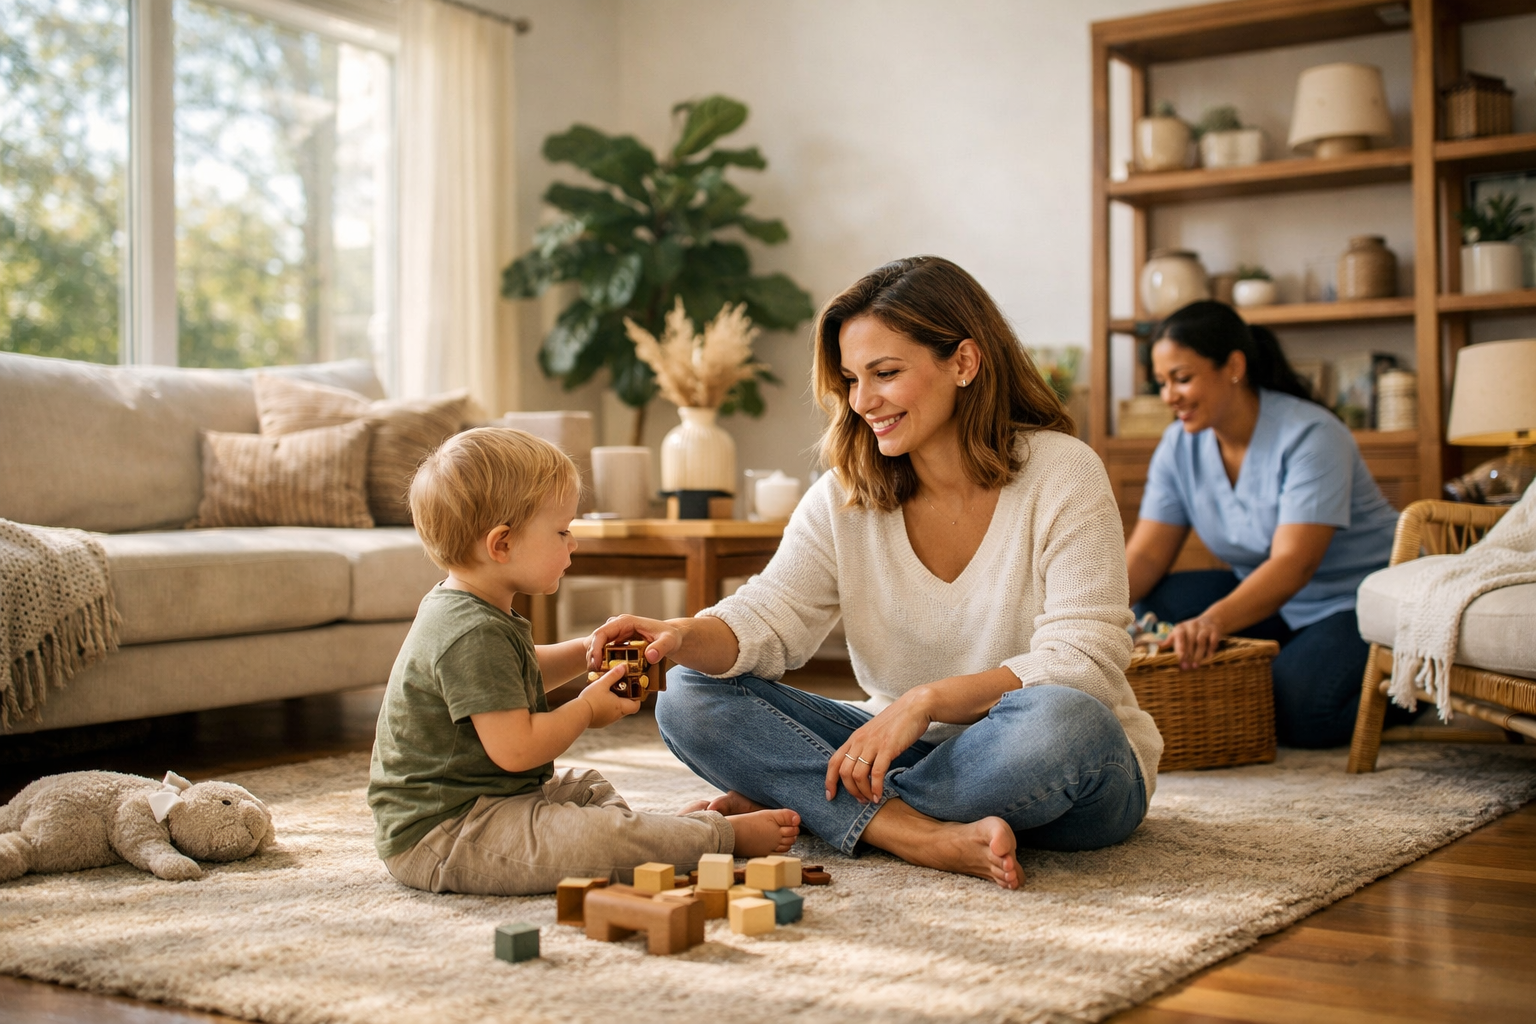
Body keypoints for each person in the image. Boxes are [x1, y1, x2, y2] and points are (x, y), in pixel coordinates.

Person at [588, 256, 1162, 891]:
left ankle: (826, 809)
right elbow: (770, 617)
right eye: (851, 380)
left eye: (885, 374)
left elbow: (1087, 657)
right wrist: (678, 635)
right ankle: (915, 832)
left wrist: (925, 702)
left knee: (1066, 721)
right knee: (688, 692)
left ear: (964, 363)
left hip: (1056, 767)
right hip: (897, 753)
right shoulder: (843, 496)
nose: (863, 402)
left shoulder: (1063, 473)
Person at [367, 428, 799, 896]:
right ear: (502, 544)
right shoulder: (470, 630)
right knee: (595, 836)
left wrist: (584, 651)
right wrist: (587, 709)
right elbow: (517, 750)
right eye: (561, 531)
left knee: (585, 788)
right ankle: (720, 837)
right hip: (446, 833)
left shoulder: (469, 606)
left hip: (494, 800)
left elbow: (517, 670)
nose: (572, 543)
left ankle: (653, 841)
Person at [1124, 300, 1409, 748]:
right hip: (1276, 603)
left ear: (1233, 366)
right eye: (1161, 382)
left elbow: (1294, 563)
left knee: (1299, 708)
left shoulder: (1312, 436)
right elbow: (1145, 554)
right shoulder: (1178, 445)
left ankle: (1412, 686)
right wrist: (1087, 610)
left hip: (1357, 600)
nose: (1168, 396)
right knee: (1151, 609)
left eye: (1182, 378)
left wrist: (1213, 622)